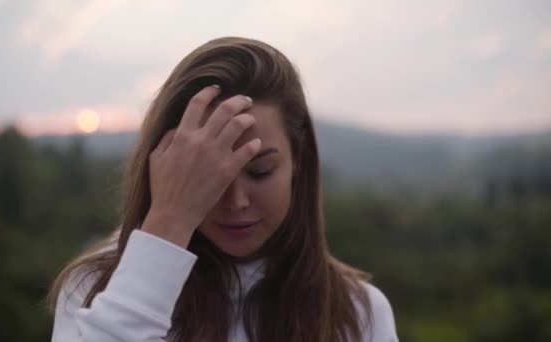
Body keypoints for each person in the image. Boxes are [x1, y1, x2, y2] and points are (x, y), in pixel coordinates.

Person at [48, 37, 398, 342]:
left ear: (299, 161)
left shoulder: (358, 312)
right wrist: (170, 219)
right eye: (209, 177)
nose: (237, 201)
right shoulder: (98, 288)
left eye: (260, 171)